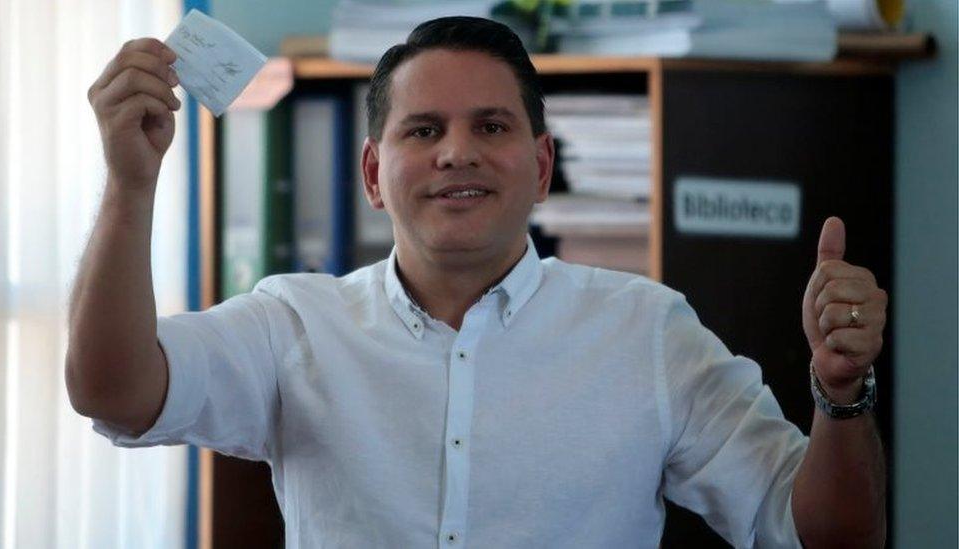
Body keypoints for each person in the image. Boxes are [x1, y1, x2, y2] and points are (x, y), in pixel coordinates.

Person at [69, 16, 888, 548]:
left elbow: (826, 534)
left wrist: (838, 392)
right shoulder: (296, 324)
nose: (456, 152)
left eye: (490, 126)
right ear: (373, 174)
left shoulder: (648, 332)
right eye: (423, 130)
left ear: (540, 165)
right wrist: (130, 185)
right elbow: (113, 389)